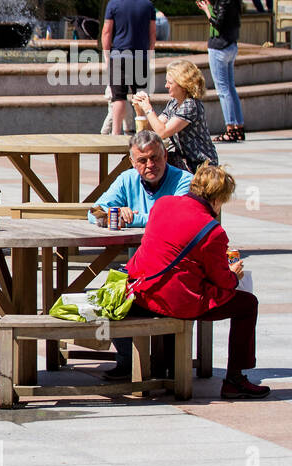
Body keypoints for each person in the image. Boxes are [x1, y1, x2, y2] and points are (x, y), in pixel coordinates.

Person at [111, 164, 267, 399]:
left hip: (141, 292)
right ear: (218, 198)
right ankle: (235, 379)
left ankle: (166, 368)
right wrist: (234, 273)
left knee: (179, 285)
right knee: (247, 304)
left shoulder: (162, 205)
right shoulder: (213, 231)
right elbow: (222, 281)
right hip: (175, 302)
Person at [131, 59, 218, 173]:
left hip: (200, 166)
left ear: (183, 84)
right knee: (139, 163)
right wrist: (140, 113)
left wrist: (148, 108)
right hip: (183, 160)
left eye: (170, 83)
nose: (166, 86)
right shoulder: (174, 103)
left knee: (148, 168)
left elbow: (162, 132)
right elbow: (151, 132)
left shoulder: (191, 105)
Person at [93, 130, 192, 228]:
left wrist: (129, 220)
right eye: (142, 160)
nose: (150, 165)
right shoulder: (127, 178)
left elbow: (175, 217)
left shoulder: (184, 180)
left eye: (154, 157)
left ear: (165, 155)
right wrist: (117, 212)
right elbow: (94, 212)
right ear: (133, 162)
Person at [100, 0, 157, 135]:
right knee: (141, 96)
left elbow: (106, 32)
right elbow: (152, 33)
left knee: (118, 98)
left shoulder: (114, 4)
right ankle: (143, 133)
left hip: (118, 56)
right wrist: (149, 53)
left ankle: (116, 134)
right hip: (141, 56)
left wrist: (106, 55)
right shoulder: (147, 4)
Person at [197, 0, 244, 143]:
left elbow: (218, 23)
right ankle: (238, 127)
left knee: (223, 90)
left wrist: (207, 11)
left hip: (220, 47)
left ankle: (230, 128)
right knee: (230, 88)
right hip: (231, 46)